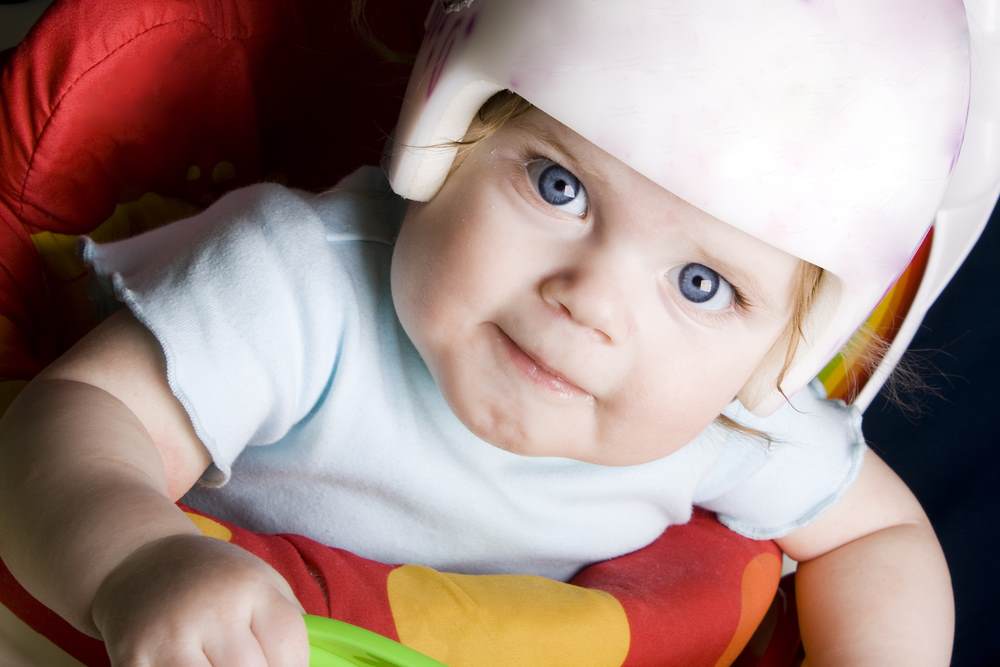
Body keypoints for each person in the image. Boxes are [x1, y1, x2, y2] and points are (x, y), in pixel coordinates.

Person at [0, 0, 973, 665]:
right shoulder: (300, 279)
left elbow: (879, 536)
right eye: (560, 185)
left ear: (784, 352)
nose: (589, 300)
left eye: (700, 282)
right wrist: (133, 557)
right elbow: (76, 420)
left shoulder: (729, 414)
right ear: (444, 126)